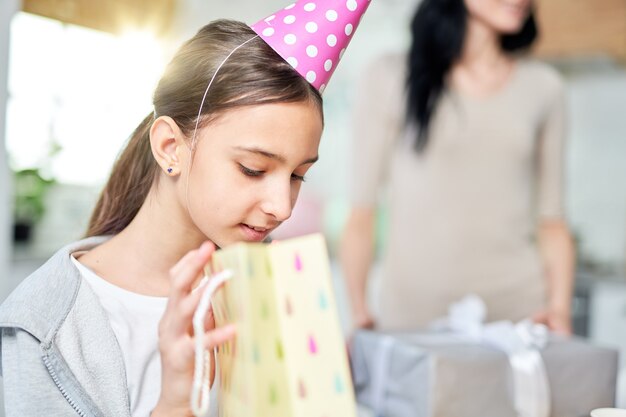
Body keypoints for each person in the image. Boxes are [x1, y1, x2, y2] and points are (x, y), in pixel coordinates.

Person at [0, 0, 370, 414]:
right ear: (170, 147)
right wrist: (175, 405)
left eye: (298, 175)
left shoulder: (277, 287)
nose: (282, 207)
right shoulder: (42, 332)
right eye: (252, 169)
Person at [340, 0, 576, 334]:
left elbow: (553, 222)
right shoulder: (389, 76)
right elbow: (362, 212)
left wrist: (559, 310)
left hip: (518, 319)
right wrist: (358, 309)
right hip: (411, 320)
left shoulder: (544, 88)